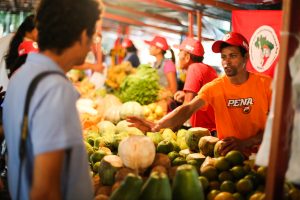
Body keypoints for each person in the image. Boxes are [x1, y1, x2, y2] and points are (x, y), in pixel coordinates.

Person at [2, 0, 101, 199]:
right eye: (93, 36)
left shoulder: (21, 75)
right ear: (83, 35)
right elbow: (45, 192)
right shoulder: (55, 89)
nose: (92, 45)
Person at [128, 32, 272, 156]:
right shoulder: (215, 87)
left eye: (232, 56)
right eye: (223, 57)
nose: (226, 62)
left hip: (260, 157)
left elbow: (280, 125)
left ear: (245, 57)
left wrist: (246, 142)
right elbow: (187, 109)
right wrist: (156, 126)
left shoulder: (265, 84)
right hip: (225, 159)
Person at [173, 37, 218, 132]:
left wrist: (170, 127)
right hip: (213, 128)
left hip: (205, 131)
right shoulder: (208, 69)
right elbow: (204, 95)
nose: (178, 55)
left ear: (187, 57)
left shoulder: (194, 68)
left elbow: (187, 107)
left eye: (180, 52)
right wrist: (186, 94)